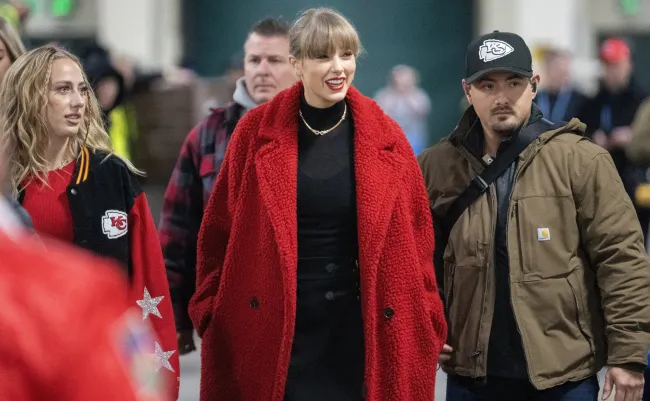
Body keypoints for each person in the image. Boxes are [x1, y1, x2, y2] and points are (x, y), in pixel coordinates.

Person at [189, 7, 446, 401]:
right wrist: (210, 310)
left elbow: (418, 237)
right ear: (296, 63)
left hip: (360, 333)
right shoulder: (254, 133)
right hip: (274, 330)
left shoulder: (387, 137)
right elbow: (217, 232)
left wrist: (428, 314)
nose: (338, 67)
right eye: (324, 56)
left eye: (347, 55)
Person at [418, 30, 650, 401]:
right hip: (472, 379)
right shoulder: (435, 167)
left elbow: (622, 260)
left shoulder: (581, 160)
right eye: (487, 85)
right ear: (467, 91)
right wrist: (425, 326)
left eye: (513, 82)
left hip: (564, 378)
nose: (501, 96)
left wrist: (628, 357)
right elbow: (416, 262)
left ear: (534, 86)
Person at [0, 45, 180, 399]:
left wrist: (158, 379)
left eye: (82, 89)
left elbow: (149, 281)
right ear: (31, 96)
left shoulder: (112, 175)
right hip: (27, 365)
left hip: (100, 366)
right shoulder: (10, 184)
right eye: (63, 89)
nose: (79, 101)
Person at [158, 17, 296, 355]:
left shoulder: (318, 132)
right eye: (254, 60)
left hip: (307, 316)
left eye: (274, 60)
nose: (262, 70)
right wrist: (176, 318)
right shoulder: (208, 134)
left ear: (297, 66)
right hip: (232, 318)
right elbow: (177, 234)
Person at [578, 37, 649, 237]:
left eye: (615, 65)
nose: (611, 71)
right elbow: (575, 133)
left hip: (633, 182)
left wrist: (632, 138)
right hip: (598, 183)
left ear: (628, 65)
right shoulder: (591, 102)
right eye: (607, 65)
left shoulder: (642, 101)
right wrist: (592, 138)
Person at [374, 64, 432, 155]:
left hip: (413, 138)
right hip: (391, 137)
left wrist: (407, 93)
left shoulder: (418, 95)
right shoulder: (384, 95)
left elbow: (422, 112)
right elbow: (379, 114)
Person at [533, 48, 587, 123]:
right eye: (556, 69)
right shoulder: (535, 99)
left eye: (564, 71)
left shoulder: (580, 101)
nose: (561, 74)